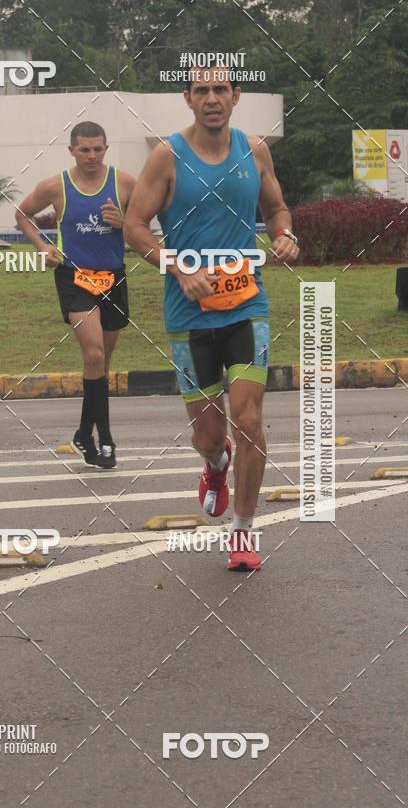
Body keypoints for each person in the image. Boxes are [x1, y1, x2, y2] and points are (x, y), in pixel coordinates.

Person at [123, 68, 299, 570]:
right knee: (209, 434)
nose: (212, 98)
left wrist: (286, 234)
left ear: (236, 97)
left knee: (248, 419)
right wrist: (177, 267)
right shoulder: (167, 156)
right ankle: (215, 463)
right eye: (201, 90)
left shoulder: (256, 151)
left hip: (247, 305)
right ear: (188, 98)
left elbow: (278, 207)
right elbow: (135, 227)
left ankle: (242, 530)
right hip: (189, 313)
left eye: (221, 89)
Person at [16, 121, 135, 469]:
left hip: (113, 278)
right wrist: (42, 248)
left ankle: (84, 433)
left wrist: (123, 223)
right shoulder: (56, 186)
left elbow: (148, 219)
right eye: (84, 149)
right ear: (72, 151)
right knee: (94, 353)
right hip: (75, 278)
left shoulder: (124, 182)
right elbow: (22, 213)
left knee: (100, 363)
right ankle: (107, 440)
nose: (92, 155)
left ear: (106, 148)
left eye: (98, 148)